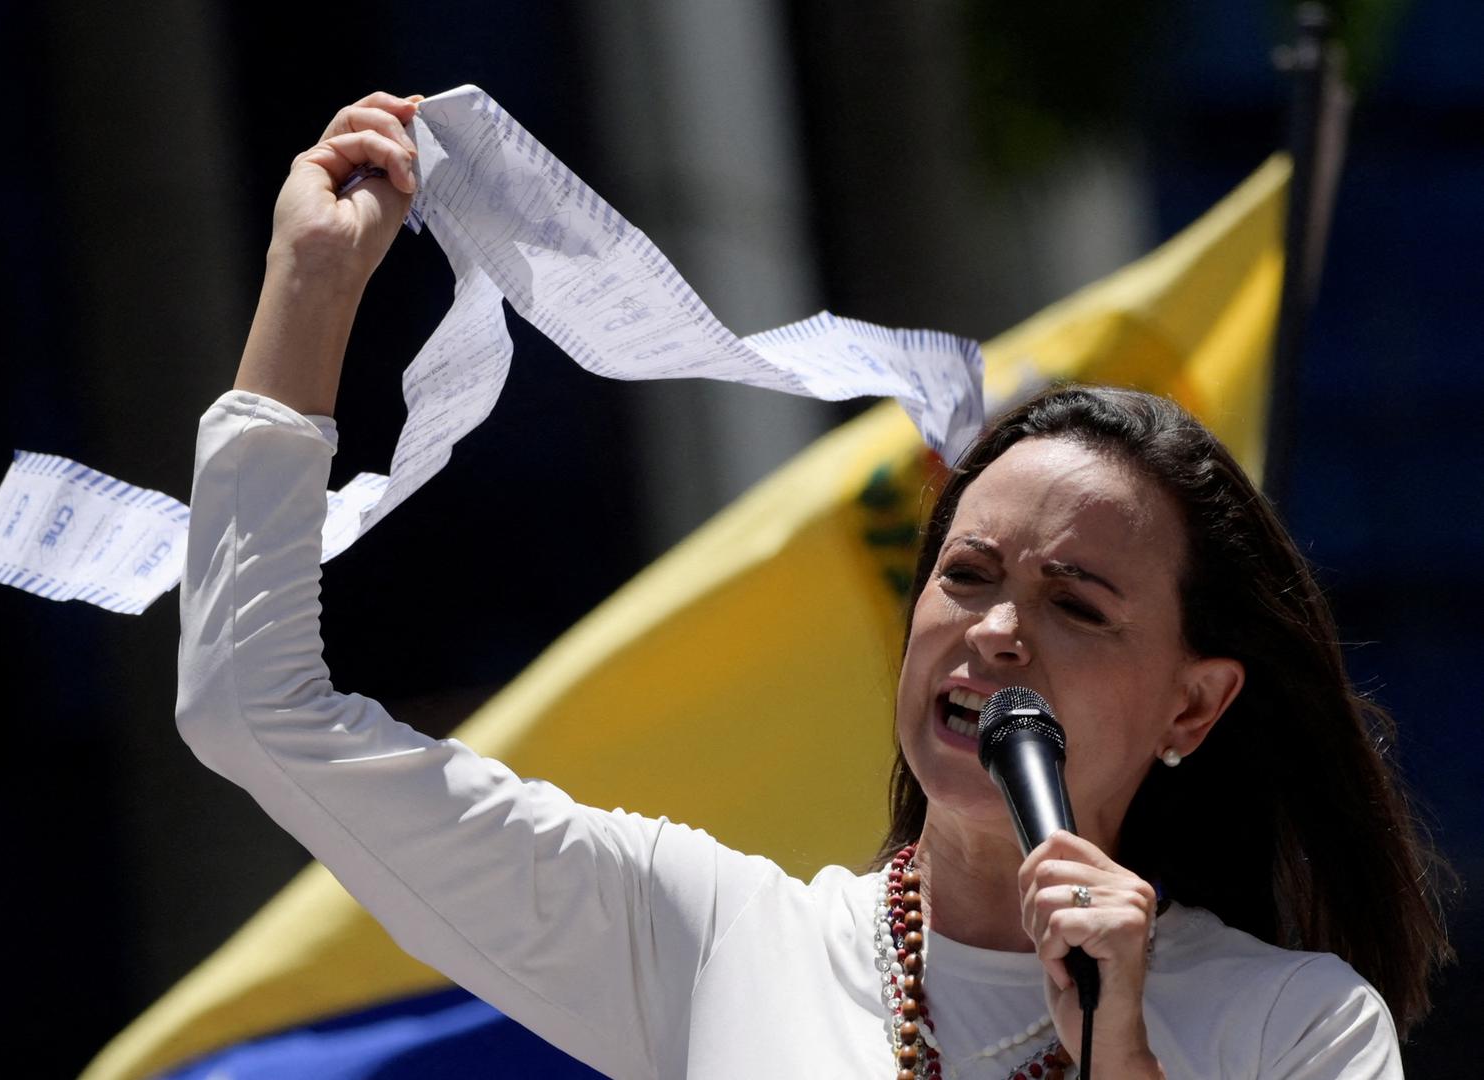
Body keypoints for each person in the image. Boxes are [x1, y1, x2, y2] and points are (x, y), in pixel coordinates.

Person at [176, 91, 1450, 1079]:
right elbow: (253, 708)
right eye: (962, 575)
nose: (995, 633)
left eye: (1076, 605)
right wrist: (313, 283)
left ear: (1192, 706)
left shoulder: (1292, 1026)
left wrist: (1119, 1053)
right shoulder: (713, 940)